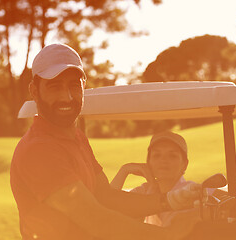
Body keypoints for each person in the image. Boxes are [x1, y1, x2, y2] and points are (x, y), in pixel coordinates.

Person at [10, 43, 203, 240]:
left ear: (83, 86)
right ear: (34, 90)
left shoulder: (77, 138)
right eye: (55, 86)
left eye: (74, 86)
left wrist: (170, 200)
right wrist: (169, 235)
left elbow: (107, 197)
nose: (66, 97)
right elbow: (96, 220)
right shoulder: (38, 149)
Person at [111, 131, 208, 227]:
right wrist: (124, 170)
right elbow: (107, 206)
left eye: (172, 156)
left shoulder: (190, 192)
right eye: (157, 155)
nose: (163, 160)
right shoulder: (144, 191)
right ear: (148, 162)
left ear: (185, 164)